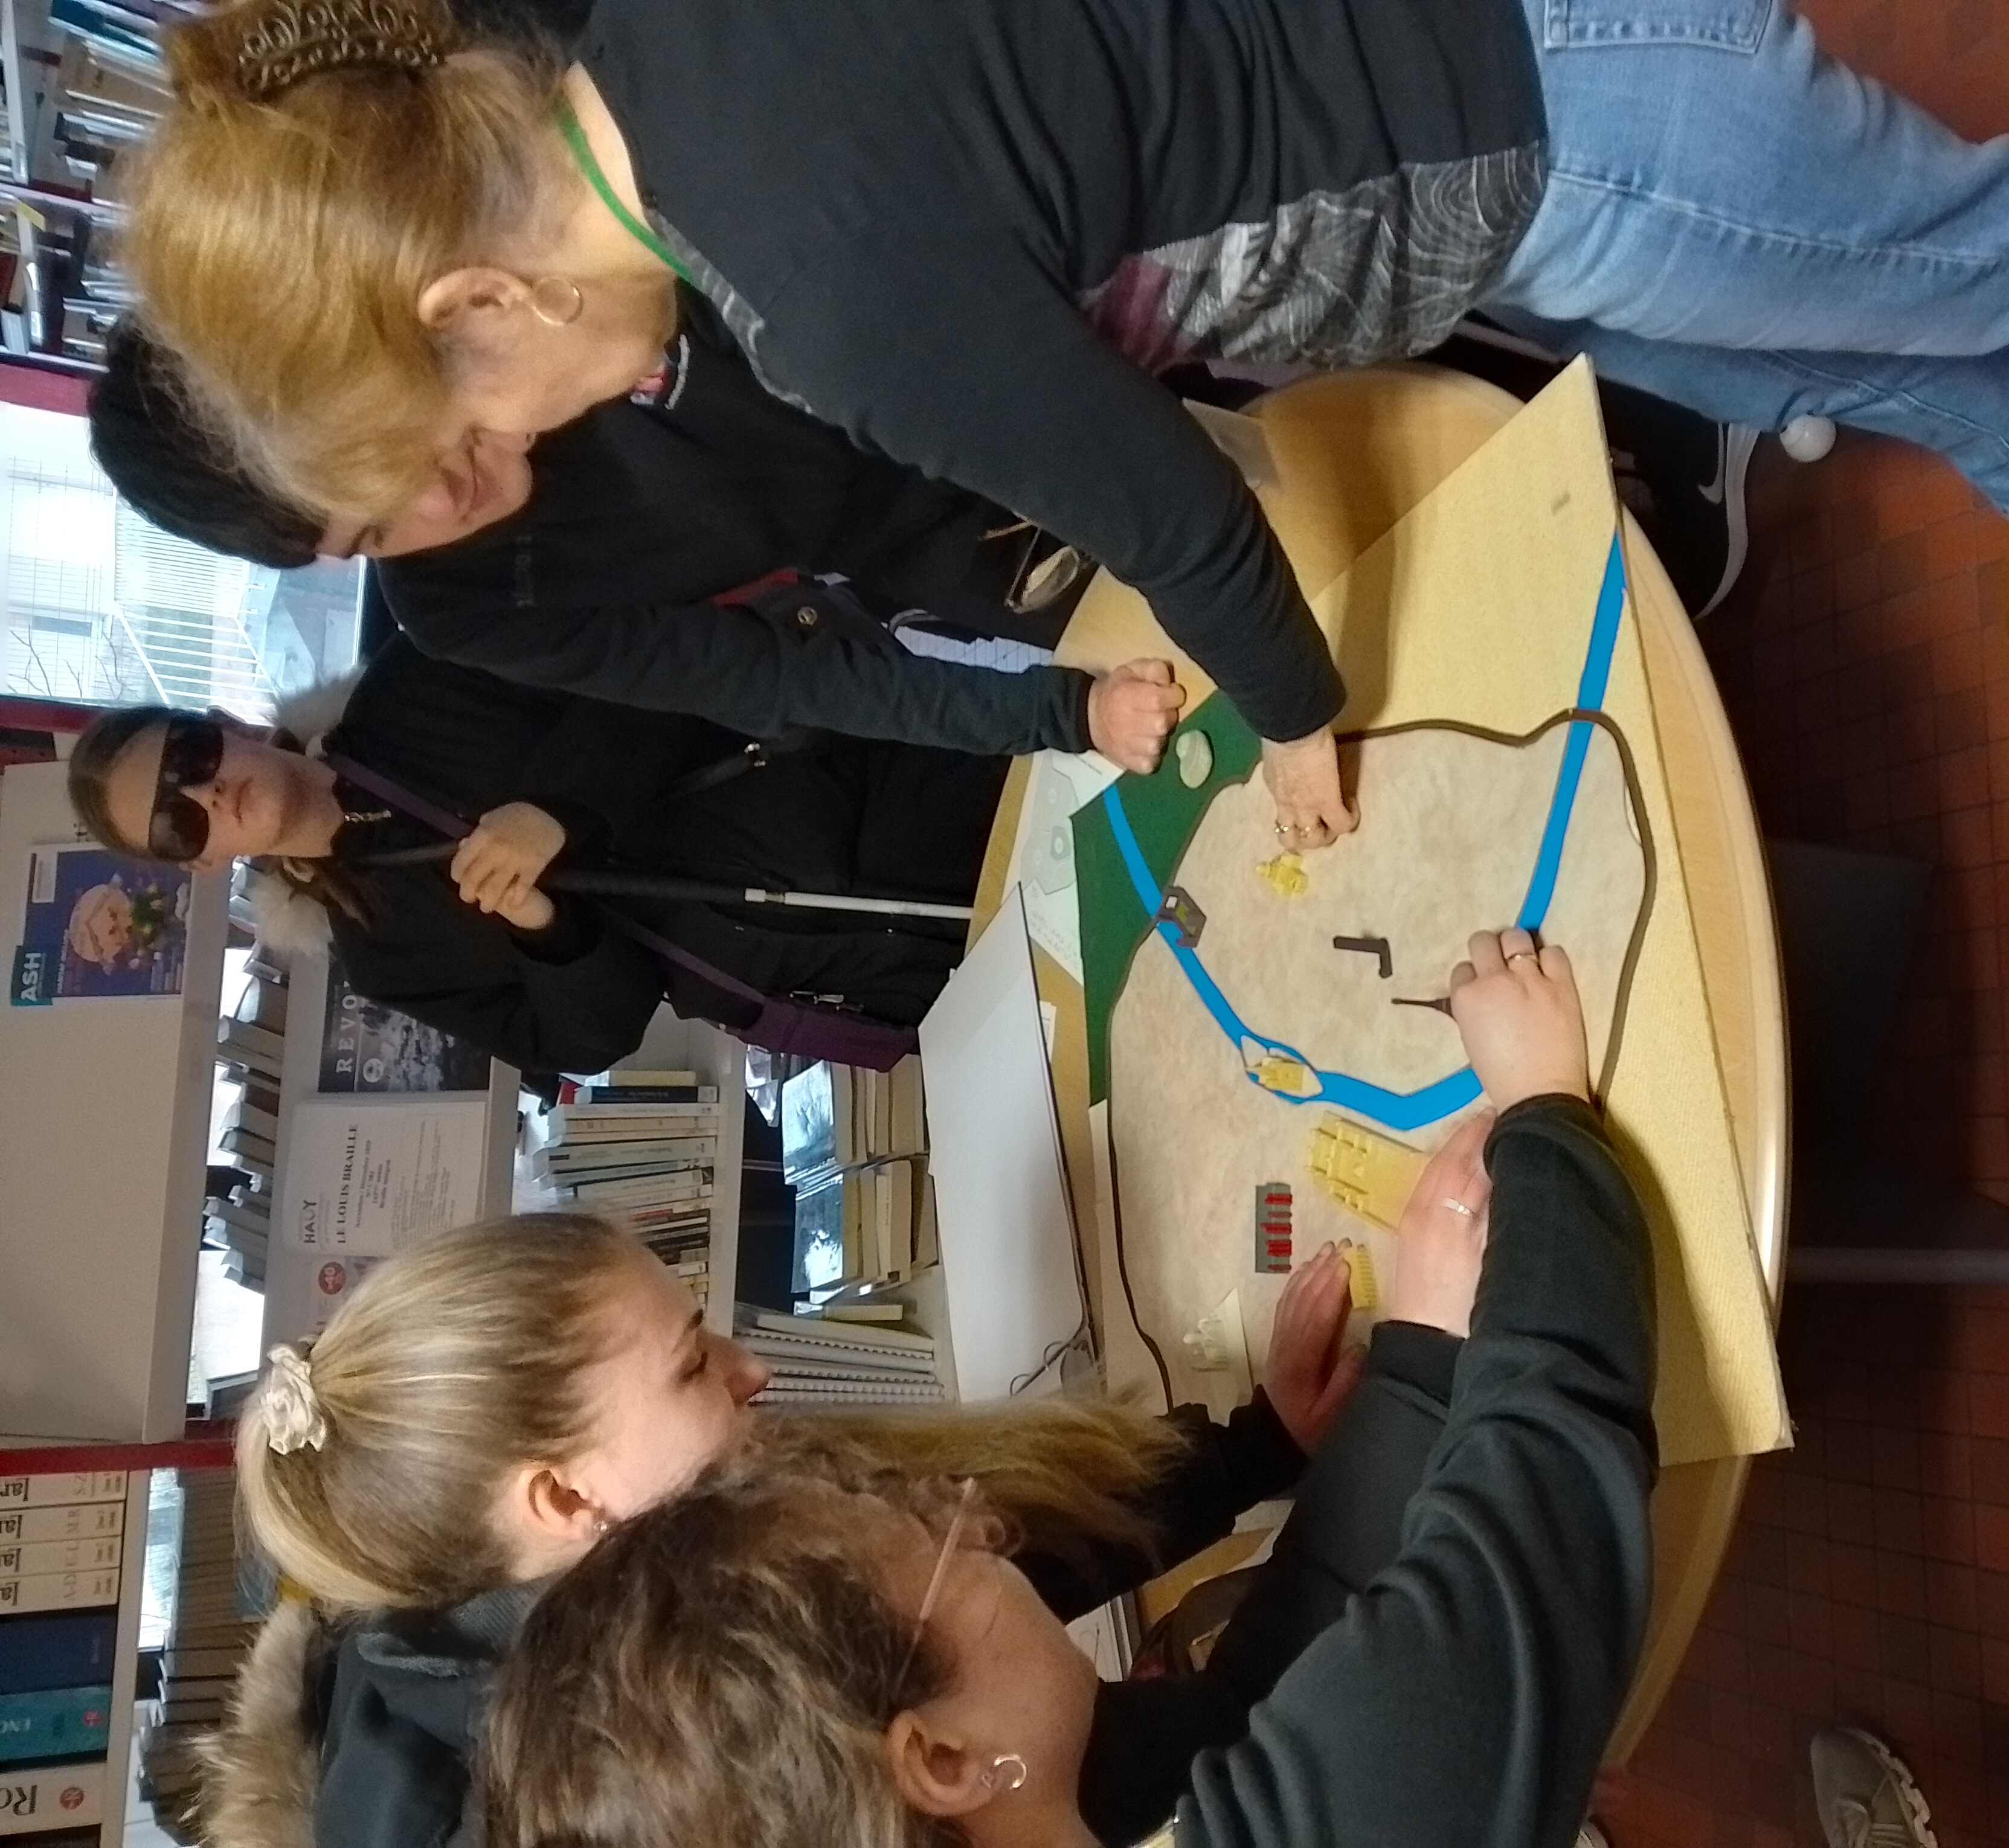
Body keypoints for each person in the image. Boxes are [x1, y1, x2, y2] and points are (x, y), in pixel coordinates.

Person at [124, 0, 2009, 854]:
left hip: (1543, 103)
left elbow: (1174, 518)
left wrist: (1296, 727)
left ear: (478, 295)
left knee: (1964, 236)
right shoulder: (637, 49)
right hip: (1447, 157)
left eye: (488, 426)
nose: (540, 449)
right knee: (1765, 352)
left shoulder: (812, 279)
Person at [484, 925, 1658, 1848]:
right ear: (938, 1760)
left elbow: (1248, 1700)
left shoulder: (1024, 1793)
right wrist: (1546, 1117)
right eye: (934, 1533)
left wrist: (1411, 1367)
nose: (984, 1515)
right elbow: (1553, 1500)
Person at [201, 1193, 1454, 1848]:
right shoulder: (679, 1766)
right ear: (567, 1498)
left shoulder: (571, 1607)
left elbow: (956, 1591)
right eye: (692, 1365)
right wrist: (1420, 1373)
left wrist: (1257, 1450)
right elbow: (1224, 1744)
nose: (752, 1372)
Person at [91, 320, 1169, 767]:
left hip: (1013, 348)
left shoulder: (537, 260)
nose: (437, 498)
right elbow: (774, 677)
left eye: (383, 446)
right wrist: (1064, 712)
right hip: (930, 532)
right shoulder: (459, 606)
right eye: (373, 528)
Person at [68, 638, 1016, 1073]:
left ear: (226, 724)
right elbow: (586, 1043)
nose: (205, 797)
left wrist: (558, 811)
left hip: (881, 799)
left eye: (191, 760)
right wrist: (546, 932)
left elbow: (653, 665)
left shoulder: (416, 678)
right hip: (845, 971)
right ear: (196, 864)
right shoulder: (379, 955)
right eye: (176, 825)